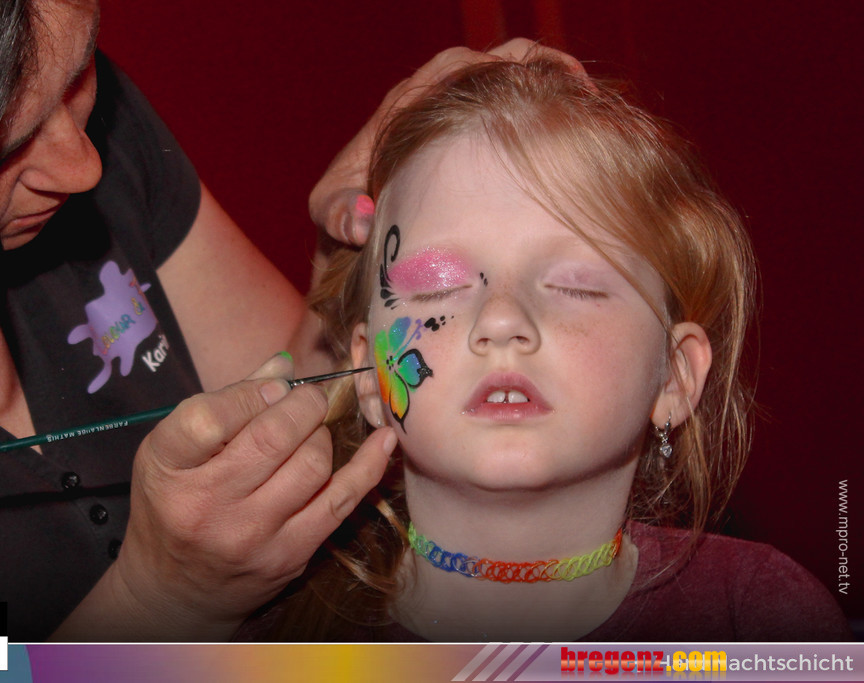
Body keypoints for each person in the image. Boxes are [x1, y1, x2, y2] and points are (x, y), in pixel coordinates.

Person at [0, 0, 571, 641]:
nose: (83, 168)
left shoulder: (68, 117)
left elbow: (302, 394)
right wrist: (160, 603)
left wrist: (346, 270)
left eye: (79, 73)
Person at [237, 58, 853, 641]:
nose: (502, 319)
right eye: (438, 286)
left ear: (674, 376)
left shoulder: (758, 617)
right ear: (370, 377)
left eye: (575, 286)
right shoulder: (271, 636)